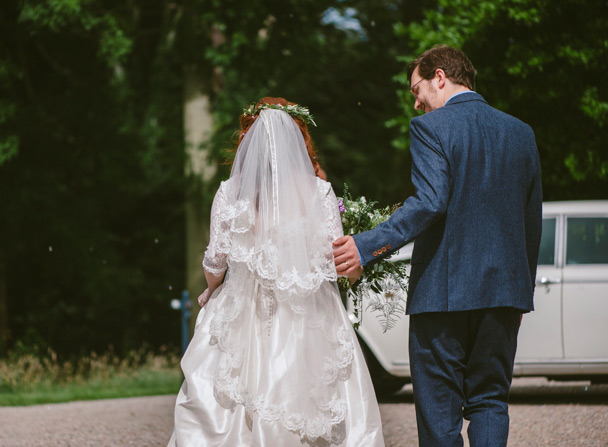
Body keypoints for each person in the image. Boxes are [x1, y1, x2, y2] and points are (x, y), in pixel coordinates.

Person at [333, 45, 542, 447]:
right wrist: (521, 295)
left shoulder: (431, 128)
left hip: (442, 299)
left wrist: (364, 247)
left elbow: (430, 202)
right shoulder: (521, 133)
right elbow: (531, 222)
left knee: (440, 414)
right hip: (504, 297)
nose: (416, 102)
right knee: (490, 402)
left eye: (417, 89)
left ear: (440, 77)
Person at [168, 97, 384, 447]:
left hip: (245, 310)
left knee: (232, 397)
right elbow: (334, 257)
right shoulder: (321, 191)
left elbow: (216, 262)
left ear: (247, 141)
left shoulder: (229, 192)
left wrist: (212, 288)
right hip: (307, 312)